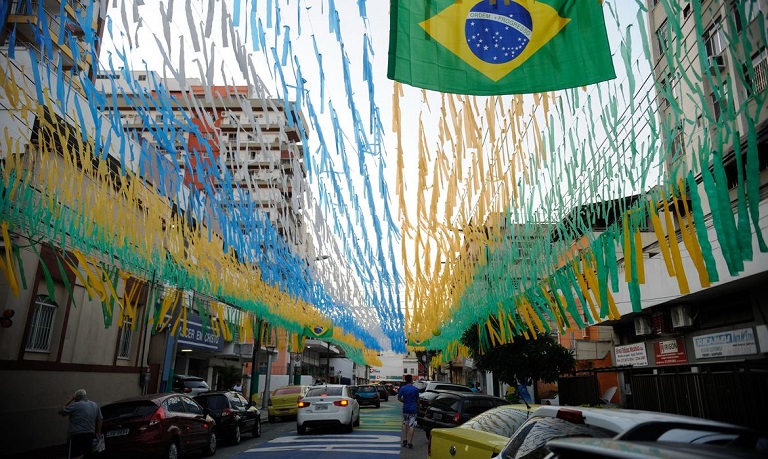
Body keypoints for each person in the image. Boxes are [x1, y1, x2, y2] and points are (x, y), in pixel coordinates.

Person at [58, 389, 102, 459]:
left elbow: (61, 411)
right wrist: (98, 432)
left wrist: (70, 399)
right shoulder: (95, 405)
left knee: (75, 456)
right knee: (88, 455)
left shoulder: (75, 405)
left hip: (76, 435)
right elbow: (99, 419)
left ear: (76, 397)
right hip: (90, 435)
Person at [397, 374, 420, 449]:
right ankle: (410, 442)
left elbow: (399, 398)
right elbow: (418, 400)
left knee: (404, 423)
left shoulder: (403, 388)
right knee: (411, 425)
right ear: (411, 380)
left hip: (405, 409)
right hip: (413, 409)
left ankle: (404, 439)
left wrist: (404, 401)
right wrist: (418, 407)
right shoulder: (415, 389)